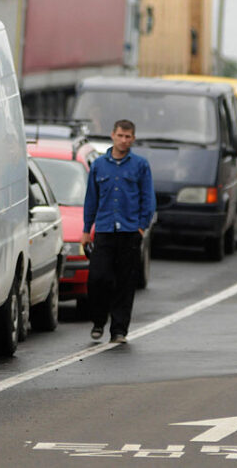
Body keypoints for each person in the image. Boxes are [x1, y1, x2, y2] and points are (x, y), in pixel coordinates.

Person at [81, 119, 155, 344]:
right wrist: (86, 229)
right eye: (120, 135)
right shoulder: (99, 165)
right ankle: (98, 320)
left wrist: (141, 227)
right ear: (112, 135)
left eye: (128, 136)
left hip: (130, 231)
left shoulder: (140, 165)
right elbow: (91, 199)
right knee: (98, 278)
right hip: (104, 230)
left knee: (125, 282)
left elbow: (148, 199)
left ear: (133, 139)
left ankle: (119, 330)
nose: (124, 140)